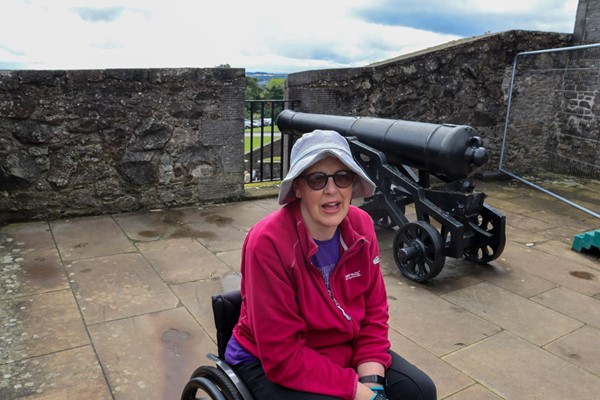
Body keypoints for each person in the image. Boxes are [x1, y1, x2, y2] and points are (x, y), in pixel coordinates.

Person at [225, 129, 436, 400]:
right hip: (267, 361)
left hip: (341, 346)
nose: (332, 189)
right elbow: (282, 356)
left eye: (342, 177)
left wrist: (372, 382)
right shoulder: (268, 243)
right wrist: (358, 392)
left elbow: (374, 312)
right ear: (298, 188)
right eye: (317, 179)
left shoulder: (361, 226)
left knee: (419, 390)